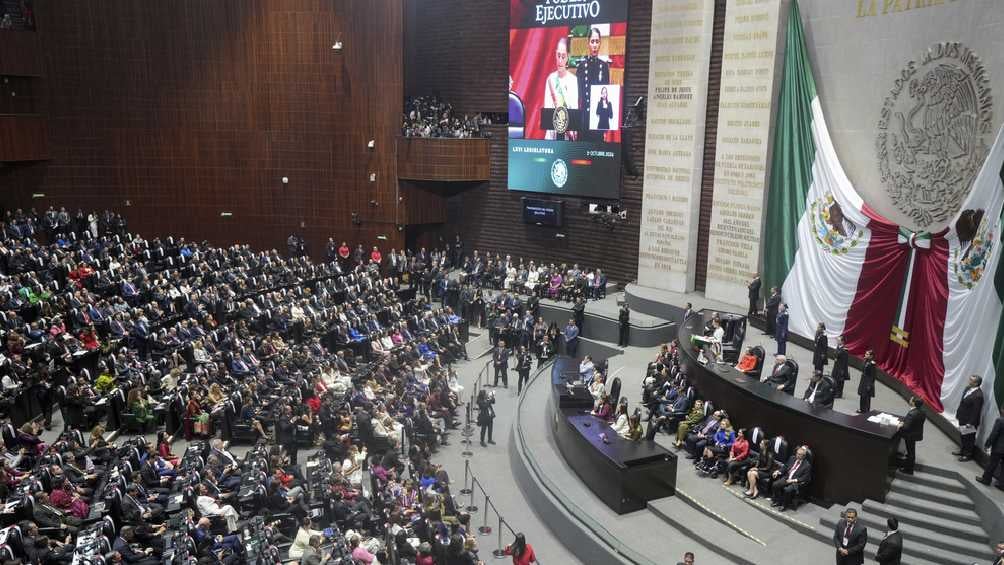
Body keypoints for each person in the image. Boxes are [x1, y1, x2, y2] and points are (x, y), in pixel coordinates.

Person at [543, 37, 579, 141]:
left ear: (568, 56)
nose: (560, 60)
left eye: (563, 56)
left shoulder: (573, 81)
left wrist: (572, 132)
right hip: (552, 135)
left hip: (568, 135)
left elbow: (574, 110)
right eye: (558, 55)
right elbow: (547, 111)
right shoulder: (550, 79)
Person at [770, 446, 811, 511]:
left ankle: (784, 505)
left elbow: (804, 478)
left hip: (795, 482)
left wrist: (793, 480)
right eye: (797, 453)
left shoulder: (807, 465)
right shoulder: (792, 458)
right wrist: (778, 471)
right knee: (775, 484)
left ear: (804, 456)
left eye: (800, 455)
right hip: (787, 477)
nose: (797, 455)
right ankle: (778, 501)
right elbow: (785, 467)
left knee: (787, 490)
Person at [954, 374, 984, 461]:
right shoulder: (967, 388)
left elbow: (976, 411)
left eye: (971, 380)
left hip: (969, 421)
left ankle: (968, 455)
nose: (969, 381)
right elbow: (962, 402)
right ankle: (962, 451)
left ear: (976, 383)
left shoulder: (979, 395)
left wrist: (970, 423)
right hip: (962, 417)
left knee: (969, 438)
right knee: (963, 436)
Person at [896, 396, 926, 474]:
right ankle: (909, 467)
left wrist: (900, 425)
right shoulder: (922, 412)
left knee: (910, 453)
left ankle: (908, 469)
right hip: (916, 434)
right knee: (911, 451)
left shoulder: (912, 413)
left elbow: (906, 427)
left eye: (911, 399)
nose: (909, 400)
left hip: (909, 435)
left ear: (913, 403)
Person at [977, 412, 1004, 486]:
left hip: (999, 448)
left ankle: (986, 479)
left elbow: (994, 434)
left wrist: (987, 444)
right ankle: (1001, 484)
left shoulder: (1000, 420)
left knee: (992, 464)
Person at [857, 350, 876, 414]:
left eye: (867, 354)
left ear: (871, 356)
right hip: (863, 380)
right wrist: (864, 360)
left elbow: (873, 376)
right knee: (862, 395)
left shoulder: (872, 364)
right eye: (866, 354)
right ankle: (862, 409)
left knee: (867, 397)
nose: (865, 355)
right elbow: (862, 368)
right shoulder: (865, 361)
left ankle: (866, 411)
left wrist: (869, 385)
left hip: (868, 381)